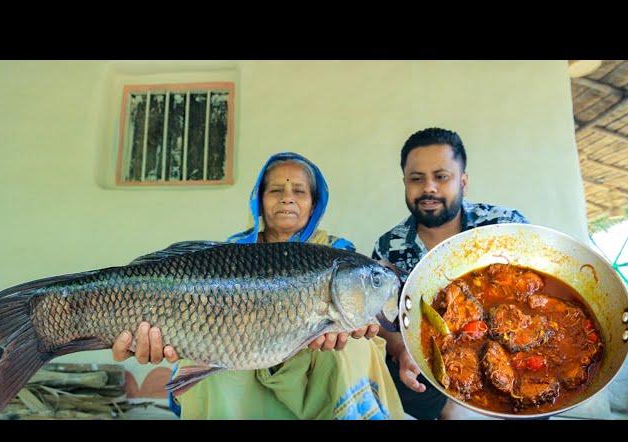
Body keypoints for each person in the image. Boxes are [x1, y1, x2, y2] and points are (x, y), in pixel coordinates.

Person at [112, 152, 405, 420]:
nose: (287, 198)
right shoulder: (234, 251)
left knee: (353, 346)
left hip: (313, 369)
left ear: (314, 204)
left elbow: (367, 322)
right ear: (259, 200)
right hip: (243, 353)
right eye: (276, 190)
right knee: (214, 359)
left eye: (299, 191)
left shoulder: (338, 253)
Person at [372, 127, 529, 420]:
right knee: (398, 378)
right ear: (405, 183)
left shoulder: (504, 224)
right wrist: (400, 351)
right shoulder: (388, 247)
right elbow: (382, 319)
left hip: (513, 354)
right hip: (430, 367)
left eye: (441, 177)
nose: (428, 188)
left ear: (463, 181)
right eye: (416, 179)